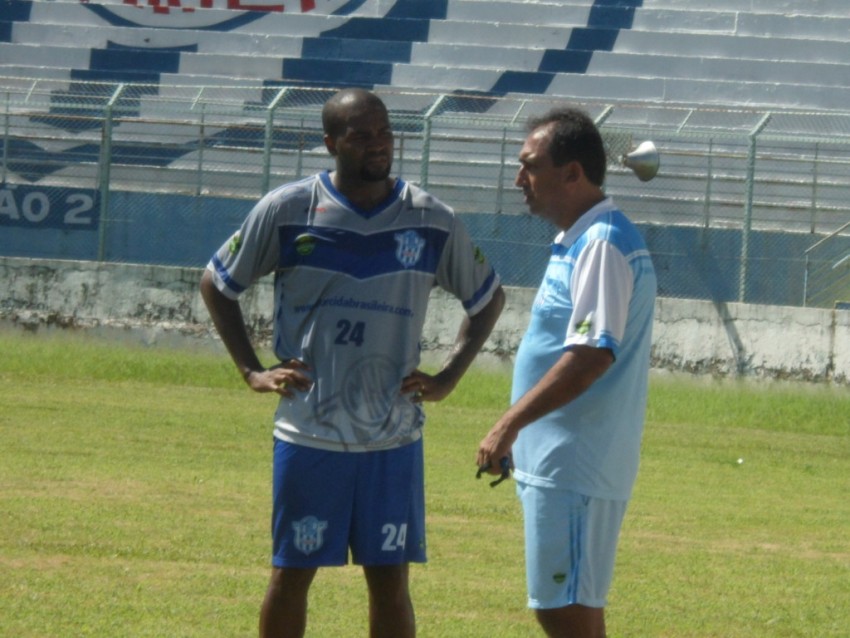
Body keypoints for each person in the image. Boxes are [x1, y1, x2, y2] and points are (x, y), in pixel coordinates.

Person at [200, 87, 504, 638]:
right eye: (361, 134)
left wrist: (448, 377)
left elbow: (487, 299)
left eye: (385, 131)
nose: (378, 144)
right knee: (291, 574)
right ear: (330, 142)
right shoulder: (289, 210)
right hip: (310, 432)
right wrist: (252, 370)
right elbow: (218, 284)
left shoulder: (431, 219)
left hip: (392, 437)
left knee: (390, 580)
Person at [476, 107, 656, 638]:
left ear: (572, 173)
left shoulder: (602, 244)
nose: (519, 180)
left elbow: (591, 356)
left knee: (565, 609)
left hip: (576, 465)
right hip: (560, 463)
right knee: (563, 605)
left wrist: (509, 423)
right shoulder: (583, 240)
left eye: (530, 165)